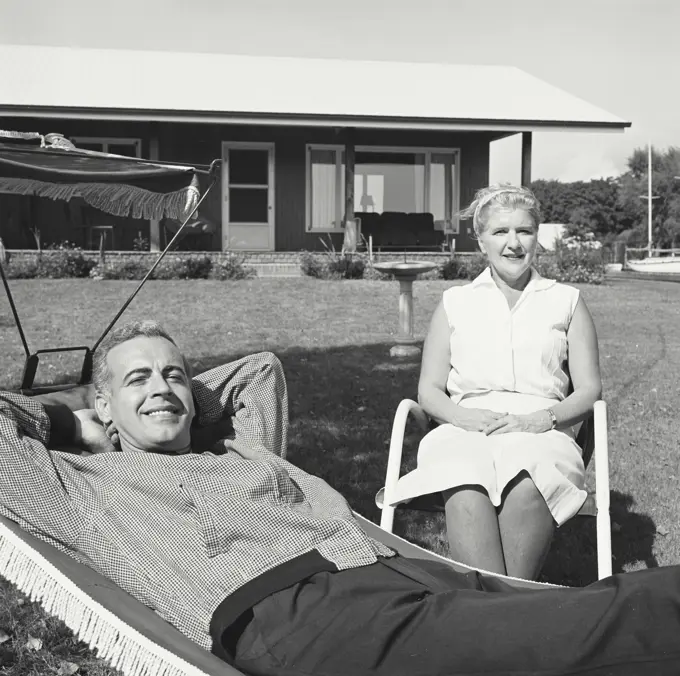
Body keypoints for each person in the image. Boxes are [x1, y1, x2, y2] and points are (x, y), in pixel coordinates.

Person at [2, 320, 680, 676]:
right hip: (294, 618)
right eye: (139, 380)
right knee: (594, 633)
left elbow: (259, 371)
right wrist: (71, 422)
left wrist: (165, 398)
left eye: (175, 375)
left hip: (386, 575)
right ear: (104, 406)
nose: (164, 388)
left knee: (581, 612)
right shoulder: (83, 488)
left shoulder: (241, 447)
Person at [382, 184, 602, 580]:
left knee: (528, 475)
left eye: (525, 231)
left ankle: (498, 608)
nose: (514, 243)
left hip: (542, 428)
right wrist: (462, 418)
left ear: (538, 237)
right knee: (463, 473)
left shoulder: (566, 300)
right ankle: (502, 610)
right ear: (481, 241)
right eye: (501, 232)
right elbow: (428, 389)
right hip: (466, 425)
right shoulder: (456, 302)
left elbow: (589, 390)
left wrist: (542, 420)